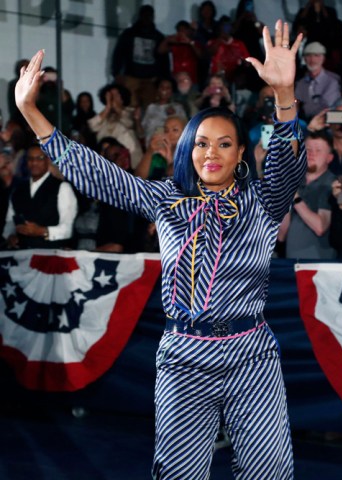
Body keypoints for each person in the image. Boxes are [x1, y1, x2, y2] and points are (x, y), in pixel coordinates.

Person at [15, 20, 306, 478]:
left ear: (240, 155)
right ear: (188, 149)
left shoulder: (263, 201)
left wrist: (285, 97)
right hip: (183, 356)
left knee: (268, 470)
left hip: (251, 356)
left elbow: (288, 169)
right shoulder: (168, 200)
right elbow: (100, 174)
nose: (211, 152)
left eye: (225, 143)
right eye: (202, 143)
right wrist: (31, 112)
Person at [2, 144, 77, 249]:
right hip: (22, 257)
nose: (34, 162)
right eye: (30, 159)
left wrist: (41, 231)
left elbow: (68, 229)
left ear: (48, 160)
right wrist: (10, 236)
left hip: (51, 255)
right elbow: (10, 222)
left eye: (39, 158)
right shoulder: (18, 190)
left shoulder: (62, 188)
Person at [278, 131, 336, 259]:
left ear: (329, 158)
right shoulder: (295, 181)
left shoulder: (332, 184)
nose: (311, 154)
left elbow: (320, 227)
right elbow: (281, 235)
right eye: (308, 149)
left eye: (318, 150)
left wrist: (294, 196)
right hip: (292, 262)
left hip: (319, 266)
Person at [111, 4, 168, 108]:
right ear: (140, 16)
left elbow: (164, 59)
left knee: (151, 108)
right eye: (145, 15)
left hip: (151, 79)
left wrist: (163, 78)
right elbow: (118, 53)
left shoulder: (158, 36)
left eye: (150, 15)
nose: (147, 18)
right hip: (131, 76)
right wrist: (116, 73)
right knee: (129, 107)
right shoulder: (129, 34)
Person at [87, 83, 143, 169]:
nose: (113, 98)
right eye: (111, 96)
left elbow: (128, 123)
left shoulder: (130, 112)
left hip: (130, 157)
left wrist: (117, 108)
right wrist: (108, 107)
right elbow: (92, 126)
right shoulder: (104, 115)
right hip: (107, 158)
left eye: (116, 95)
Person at [295, 41, 341, 121]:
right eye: (308, 56)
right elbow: (296, 104)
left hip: (327, 122)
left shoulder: (332, 80)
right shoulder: (301, 83)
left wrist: (305, 106)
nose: (312, 59)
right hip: (305, 123)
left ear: (323, 58)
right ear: (304, 58)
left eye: (316, 55)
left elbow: (327, 107)